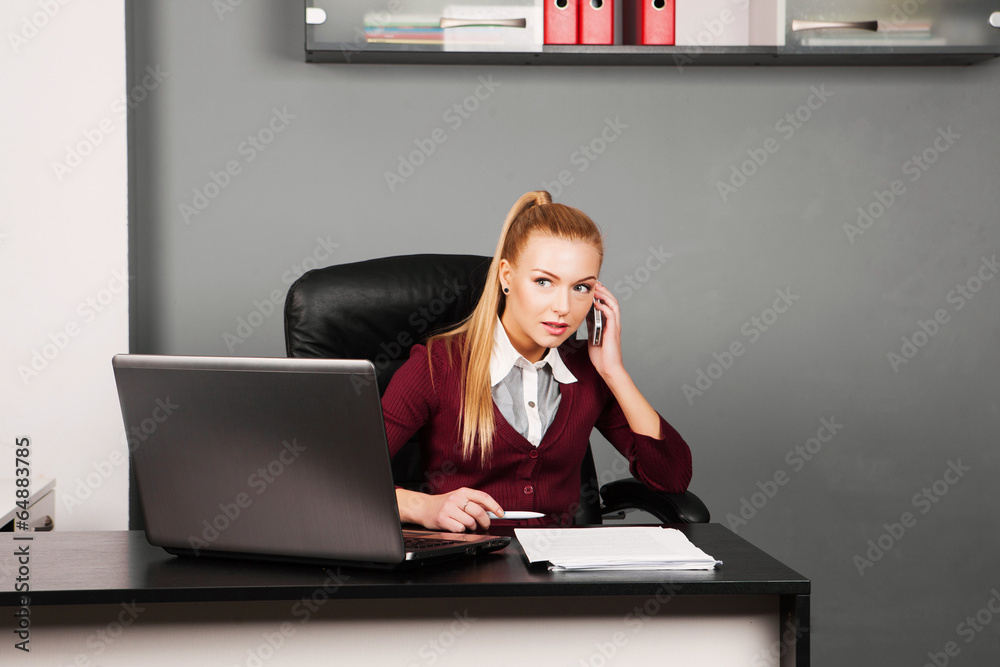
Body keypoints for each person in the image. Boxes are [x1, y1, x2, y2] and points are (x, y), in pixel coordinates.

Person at [381, 191, 692, 532]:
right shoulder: (437, 367)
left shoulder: (587, 373)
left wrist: (613, 372)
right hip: (463, 567)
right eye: (544, 281)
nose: (563, 306)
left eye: (581, 288)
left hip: (561, 573)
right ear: (506, 277)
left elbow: (672, 477)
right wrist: (423, 506)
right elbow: (339, 482)